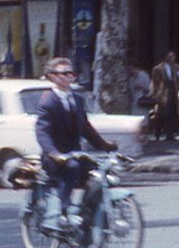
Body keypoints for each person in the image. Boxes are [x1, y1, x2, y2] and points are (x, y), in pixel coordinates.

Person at [34, 57, 118, 235]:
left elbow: (86, 128)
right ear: (52, 77)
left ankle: (86, 211)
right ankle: (63, 214)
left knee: (100, 171)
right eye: (63, 73)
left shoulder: (77, 99)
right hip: (55, 157)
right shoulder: (48, 101)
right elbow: (43, 132)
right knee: (71, 167)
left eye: (70, 73)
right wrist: (53, 153)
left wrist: (105, 145)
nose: (68, 77)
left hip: (76, 153)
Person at [150, 51, 179, 141]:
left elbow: (178, 80)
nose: (173, 59)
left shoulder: (175, 67)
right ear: (166, 58)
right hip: (163, 94)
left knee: (172, 114)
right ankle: (157, 133)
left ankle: (170, 134)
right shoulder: (158, 68)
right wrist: (156, 94)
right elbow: (155, 82)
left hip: (173, 93)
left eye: (173, 57)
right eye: (171, 57)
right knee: (161, 115)